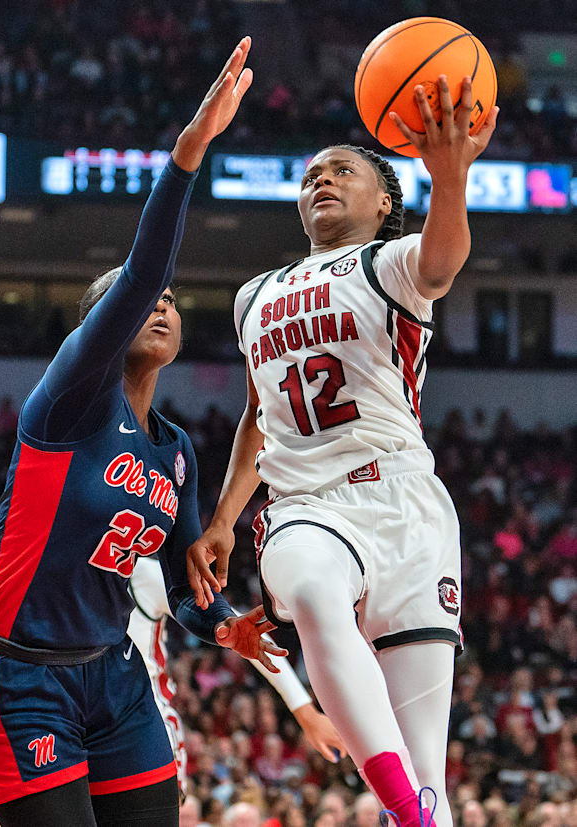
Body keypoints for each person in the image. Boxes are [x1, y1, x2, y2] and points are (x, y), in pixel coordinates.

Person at [0, 38, 285, 827]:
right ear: (102, 326)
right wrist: (187, 155)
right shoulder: (69, 399)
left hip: (114, 672)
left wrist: (224, 625)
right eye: (144, 298)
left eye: (173, 300)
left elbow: (179, 585)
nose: (161, 302)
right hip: (19, 675)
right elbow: (141, 271)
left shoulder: (172, 449)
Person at [187, 75, 499, 827]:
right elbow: (259, 411)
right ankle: (409, 811)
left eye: (342, 170)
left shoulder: (389, 264)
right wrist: (227, 514)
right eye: (310, 176)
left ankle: (415, 810)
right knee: (317, 593)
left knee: (429, 770)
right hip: (304, 504)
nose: (321, 180)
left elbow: (444, 258)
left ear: (385, 202)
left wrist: (450, 178)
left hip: (407, 506)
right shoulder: (253, 293)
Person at [127, 555, 345, 796]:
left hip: (146, 726)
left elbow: (246, 633)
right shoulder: (80, 581)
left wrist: (304, 710)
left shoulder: (142, 575)